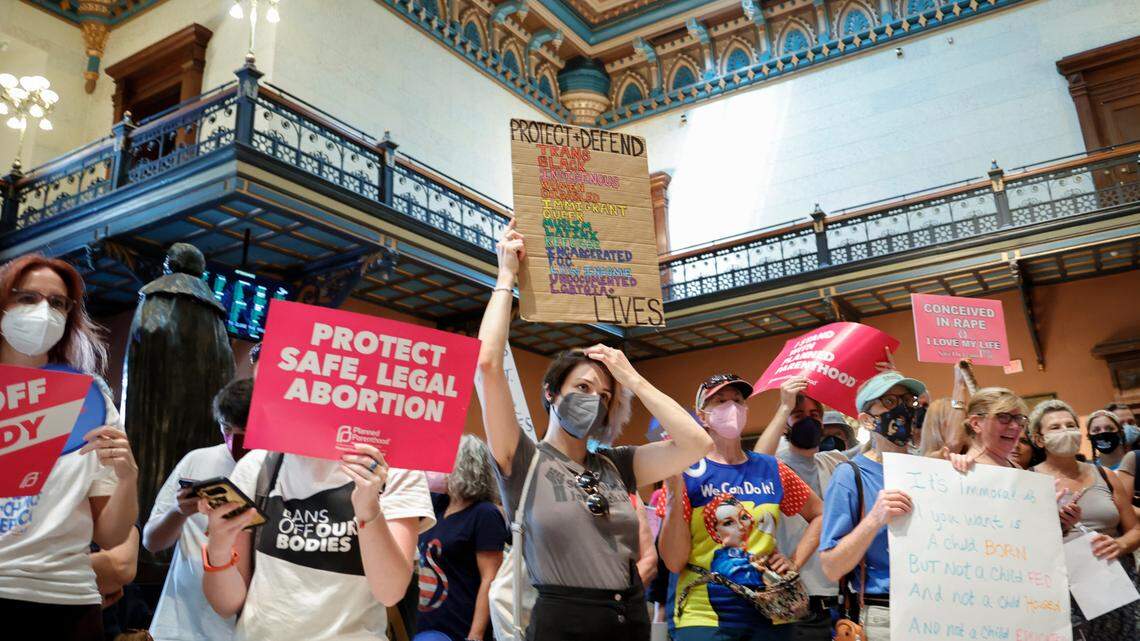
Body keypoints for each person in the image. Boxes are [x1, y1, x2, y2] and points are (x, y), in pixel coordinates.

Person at [477, 221, 714, 641]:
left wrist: (632, 379)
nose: (593, 399)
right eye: (582, 388)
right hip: (562, 622)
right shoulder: (523, 458)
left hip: (629, 619)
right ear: (551, 393)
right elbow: (488, 366)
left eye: (604, 395)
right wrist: (506, 275)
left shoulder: (616, 463)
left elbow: (697, 443)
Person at [0, 254, 139, 641]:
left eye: (57, 302)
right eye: (26, 298)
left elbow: (112, 535)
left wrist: (128, 477)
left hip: (66, 602)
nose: (43, 311)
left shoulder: (89, 398)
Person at [199, 411, 434, 638]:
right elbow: (227, 605)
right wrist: (218, 547)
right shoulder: (258, 465)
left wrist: (368, 509)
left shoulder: (393, 470)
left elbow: (390, 592)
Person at [661, 373, 824, 641]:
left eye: (737, 400)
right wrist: (673, 492)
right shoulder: (688, 471)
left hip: (771, 611)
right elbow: (674, 561)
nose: (731, 407)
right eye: (720, 401)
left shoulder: (771, 468)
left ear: (746, 411)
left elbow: (819, 514)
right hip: (703, 615)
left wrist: (794, 561)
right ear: (702, 416)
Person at [143, 377, 256, 641]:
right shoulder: (198, 460)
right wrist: (179, 512)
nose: (231, 440)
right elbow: (151, 541)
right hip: (180, 623)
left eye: (242, 433)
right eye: (225, 429)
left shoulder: (275, 471)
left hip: (245, 627)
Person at [819, 371, 928, 641]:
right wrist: (874, 519)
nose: (903, 408)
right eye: (890, 402)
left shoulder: (930, 471)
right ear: (867, 420)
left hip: (938, 607)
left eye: (908, 400)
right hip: (885, 613)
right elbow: (832, 567)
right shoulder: (850, 475)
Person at [1028, 399, 1140, 637]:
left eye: (1070, 425)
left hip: (1115, 582)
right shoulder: (1028, 481)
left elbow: (1135, 530)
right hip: (1063, 589)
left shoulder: (1105, 474)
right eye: (1055, 427)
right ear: (1039, 439)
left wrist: (1120, 544)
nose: (1065, 431)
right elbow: (1024, 543)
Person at [749, 377, 841, 640]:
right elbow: (757, 462)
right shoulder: (775, 464)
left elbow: (876, 451)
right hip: (790, 594)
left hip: (830, 598)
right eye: (798, 415)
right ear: (787, 423)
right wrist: (784, 406)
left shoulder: (832, 462)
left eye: (814, 414)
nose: (808, 420)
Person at [415, 435, 508, 641]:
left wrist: (476, 634)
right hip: (427, 625)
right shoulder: (437, 507)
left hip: (462, 627)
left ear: (463, 466)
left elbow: (490, 579)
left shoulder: (484, 514)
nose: (434, 468)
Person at [945, 387, 1028, 470]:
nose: (1015, 426)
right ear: (976, 424)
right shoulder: (964, 467)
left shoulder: (1015, 467)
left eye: (1018, 418)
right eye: (1003, 417)